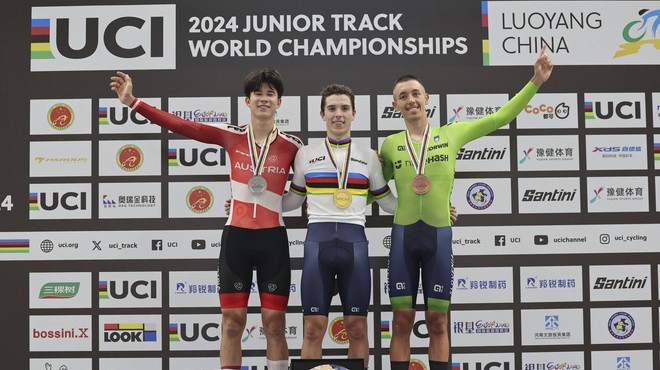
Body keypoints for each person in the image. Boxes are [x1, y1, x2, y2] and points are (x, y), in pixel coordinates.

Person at [110, 68, 303, 370]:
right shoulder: (232, 136)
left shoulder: (294, 145)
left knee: (275, 323)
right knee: (231, 323)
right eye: (258, 93)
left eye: (270, 94)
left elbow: (317, 179)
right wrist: (133, 102)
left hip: (273, 240)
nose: (264, 99)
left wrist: (372, 159)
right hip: (236, 239)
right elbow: (184, 126)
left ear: (279, 102)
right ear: (247, 101)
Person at [381, 46, 554, 370]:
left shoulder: (453, 133)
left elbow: (499, 118)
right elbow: (373, 191)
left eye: (415, 93)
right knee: (402, 321)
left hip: (439, 238)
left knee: (438, 322)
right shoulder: (390, 144)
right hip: (404, 238)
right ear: (395, 106)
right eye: (403, 96)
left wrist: (536, 81)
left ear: (427, 97)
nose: (411, 100)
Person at [281, 84, 397, 368]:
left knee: (357, 328)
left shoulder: (369, 156)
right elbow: (293, 202)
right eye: (332, 108)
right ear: (322, 114)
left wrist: (432, 207)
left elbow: (388, 204)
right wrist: (250, 203)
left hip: (354, 245)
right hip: (316, 245)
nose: (338, 114)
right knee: (312, 329)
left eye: (344, 108)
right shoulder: (305, 154)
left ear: (354, 114)